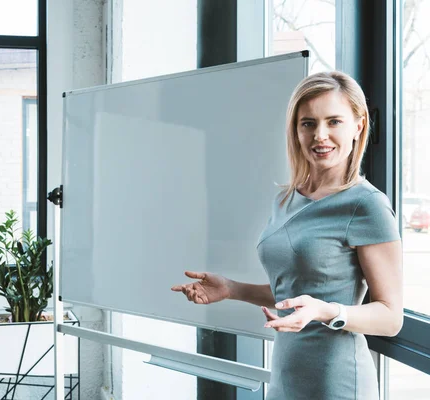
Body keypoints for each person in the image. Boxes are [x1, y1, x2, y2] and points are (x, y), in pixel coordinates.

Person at [171, 71, 403, 400]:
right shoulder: (287, 198)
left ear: (358, 126)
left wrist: (325, 311)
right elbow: (297, 292)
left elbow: (391, 317)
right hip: (285, 373)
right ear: (295, 130)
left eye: (334, 121)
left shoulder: (366, 205)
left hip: (336, 382)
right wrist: (232, 289)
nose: (320, 135)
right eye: (308, 123)